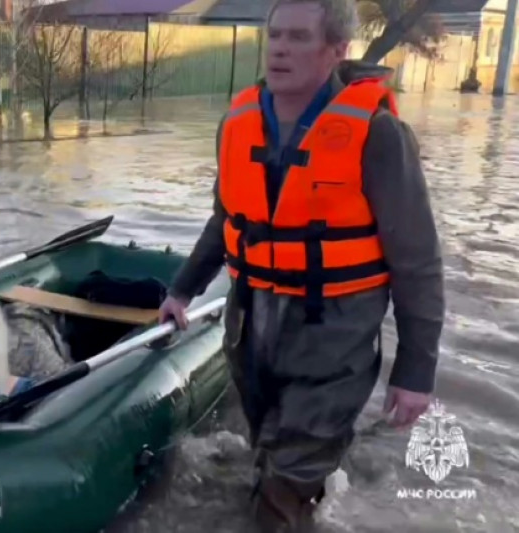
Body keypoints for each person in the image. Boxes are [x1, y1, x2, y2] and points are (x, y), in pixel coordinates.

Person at [157, 0, 445, 531]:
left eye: (298, 38)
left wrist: (415, 371)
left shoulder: (379, 134)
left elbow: (419, 261)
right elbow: (227, 219)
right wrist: (182, 290)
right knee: (265, 450)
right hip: (251, 327)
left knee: (285, 488)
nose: (280, 50)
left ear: (337, 49)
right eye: (275, 36)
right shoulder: (238, 123)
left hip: (334, 336)